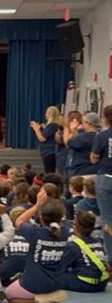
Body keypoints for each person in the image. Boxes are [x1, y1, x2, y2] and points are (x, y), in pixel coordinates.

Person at [5, 191, 68, 303]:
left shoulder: (34, 232)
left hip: (33, 285)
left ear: (41, 217)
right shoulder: (65, 232)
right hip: (56, 283)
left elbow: (18, 221)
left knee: (9, 292)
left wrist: (37, 205)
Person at [58, 211, 109, 293]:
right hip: (102, 283)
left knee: (54, 276)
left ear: (75, 227)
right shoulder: (98, 242)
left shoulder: (73, 245)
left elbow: (60, 266)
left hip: (86, 284)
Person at [90, 104, 112, 263]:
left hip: (105, 177)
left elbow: (94, 158)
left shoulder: (101, 136)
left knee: (107, 218)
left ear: (105, 118)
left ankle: (110, 258)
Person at [30, 106, 64, 173]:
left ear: (50, 114)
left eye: (46, 113)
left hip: (49, 152)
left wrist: (36, 129)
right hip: (49, 152)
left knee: (49, 172)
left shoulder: (52, 125)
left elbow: (42, 138)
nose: (45, 115)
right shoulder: (53, 125)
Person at [64, 112, 99, 177]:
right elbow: (79, 141)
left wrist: (67, 127)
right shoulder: (99, 136)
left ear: (88, 123)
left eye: (83, 122)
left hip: (81, 169)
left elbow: (67, 143)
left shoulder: (84, 137)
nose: (82, 124)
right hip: (95, 169)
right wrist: (74, 131)